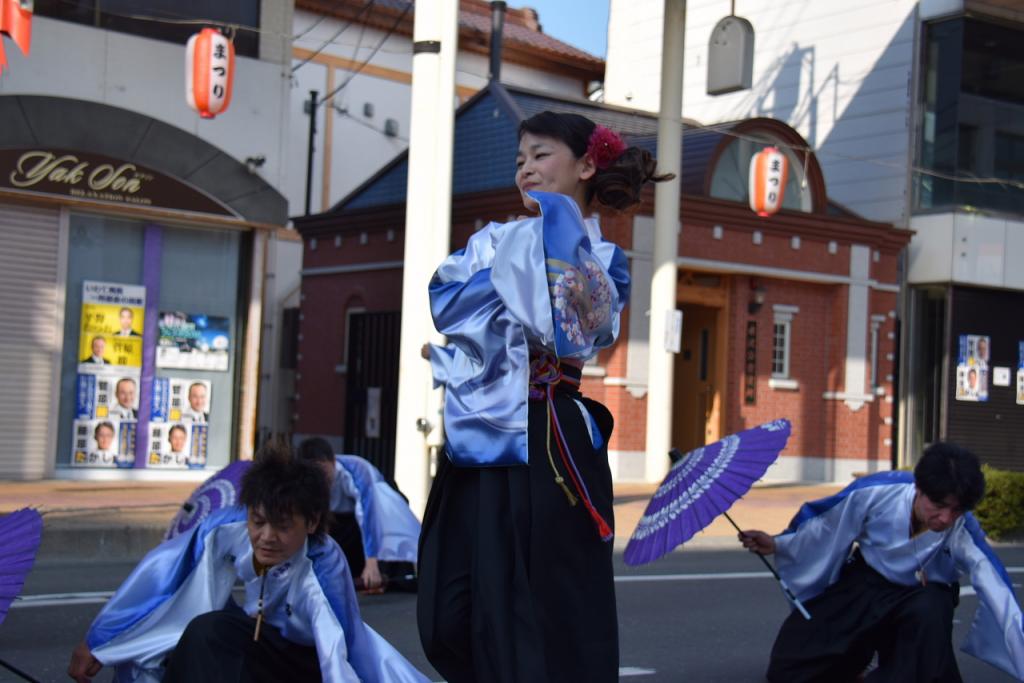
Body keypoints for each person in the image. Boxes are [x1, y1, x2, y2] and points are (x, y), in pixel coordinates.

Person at [417, 110, 672, 683]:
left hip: (551, 438)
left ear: (586, 164)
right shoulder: (496, 238)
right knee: (449, 610)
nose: (526, 169)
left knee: (544, 606)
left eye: (540, 155)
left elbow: (570, 328)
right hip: (481, 435)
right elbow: (449, 303)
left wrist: (539, 245)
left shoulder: (605, 259)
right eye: (519, 160)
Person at [67, 444, 429, 683]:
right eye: (258, 522)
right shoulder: (226, 527)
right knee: (201, 632)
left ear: (312, 522)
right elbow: (164, 577)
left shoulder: (324, 564)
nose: (266, 537)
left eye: (283, 526)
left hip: (306, 663)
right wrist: (99, 641)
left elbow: (338, 652)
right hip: (257, 637)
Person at [740, 442, 1024, 682]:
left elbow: (995, 585)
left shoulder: (964, 529)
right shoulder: (878, 492)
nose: (947, 519)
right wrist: (777, 543)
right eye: (938, 506)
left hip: (923, 595)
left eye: (957, 510)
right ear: (919, 489)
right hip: (868, 581)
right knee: (790, 665)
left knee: (929, 621)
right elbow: (825, 525)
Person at [297, 437, 420, 593]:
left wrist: (371, 563)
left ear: (333, 462)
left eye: (323, 471)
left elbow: (368, 514)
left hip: (376, 512)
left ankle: (382, 576)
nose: (320, 478)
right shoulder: (306, 481)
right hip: (341, 522)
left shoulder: (356, 469)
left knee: (379, 540)